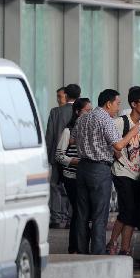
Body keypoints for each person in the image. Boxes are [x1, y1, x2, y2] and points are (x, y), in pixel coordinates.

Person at [72, 89, 140, 255]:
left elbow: (72, 139)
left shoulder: (83, 118)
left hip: (81, 168)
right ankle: (97, 252)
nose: (118, 108)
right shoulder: (106, 119)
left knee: (81, 214)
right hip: (99, 169)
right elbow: (118, 145)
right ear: (108, 103)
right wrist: (132, 132)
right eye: (117, 104)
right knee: (99, 214)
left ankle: (81, 250)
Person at [107, 87, 140, 256]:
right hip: (121, 172)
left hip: (137, 173)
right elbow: (111, 143)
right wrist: (119, 156)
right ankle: (113, 242)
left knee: (131, 213)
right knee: (128, 210)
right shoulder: (121, 122)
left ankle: (124, 248)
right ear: (133, 104)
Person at [55, 98, 92, 253]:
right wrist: (75, 161)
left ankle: (80, 246)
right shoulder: (68, 131)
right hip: (72, 177)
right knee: (78, 211)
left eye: (91, 110)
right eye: (87, 111)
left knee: (83, 212)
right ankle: (75, 247)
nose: (90, 114)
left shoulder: (90, 130)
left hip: (86, 176)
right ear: (77, 112)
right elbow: (59, 155)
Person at [45, 83, 81, 228]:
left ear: (66, 95)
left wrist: (48, 157)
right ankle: (71, 217)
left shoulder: (55, 112)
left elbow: (50, 136)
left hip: (57, 155)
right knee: (72, 185)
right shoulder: (81, 111)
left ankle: (57, 218)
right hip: (75, 156)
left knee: (54, 185)